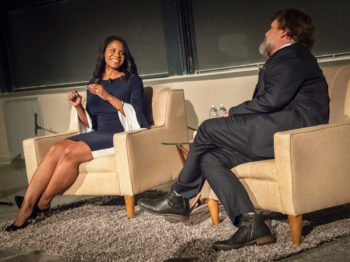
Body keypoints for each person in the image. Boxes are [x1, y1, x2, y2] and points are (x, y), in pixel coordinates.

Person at [138, 9, 329, 250]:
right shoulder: (287, 58)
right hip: (278, 130)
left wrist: (233, 113)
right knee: (210, 158)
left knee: (208, 128)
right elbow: (271, 101)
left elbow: (273, 100)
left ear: (285, 32)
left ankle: (179, 197)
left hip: (292, 131)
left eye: (271, 27)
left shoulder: (293, 55)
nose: (266, 32)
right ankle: (250, 224)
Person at [5, 35, 149, 232]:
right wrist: (79, 107)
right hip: (97, 132)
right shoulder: (94, 82)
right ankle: (33, 205)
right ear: (104, 54)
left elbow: (138, 116)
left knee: (68, 154)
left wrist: (107, 96)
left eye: (122, 52)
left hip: (118, 135)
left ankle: (38, 204)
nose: (117, 55)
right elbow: (89, 122)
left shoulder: (132, 81)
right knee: (57, 149)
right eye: (113, 51)